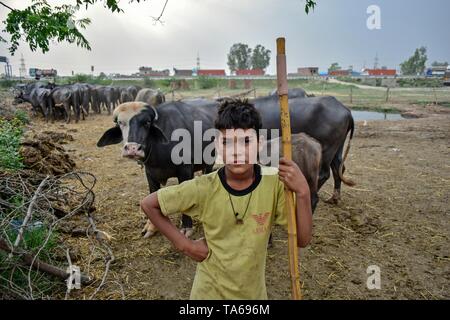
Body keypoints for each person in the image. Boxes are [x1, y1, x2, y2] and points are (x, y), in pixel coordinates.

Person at [140, 98, 312, 299]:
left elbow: (302, 239)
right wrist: (185, 245)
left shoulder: (274, 184)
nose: (236, 151)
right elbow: (149, 204)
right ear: (216, 145)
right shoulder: (204, 186)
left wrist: (303, 193)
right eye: (227, 142)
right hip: (207, 294)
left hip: (253, 296)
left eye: (246, 141)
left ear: (261, 143)